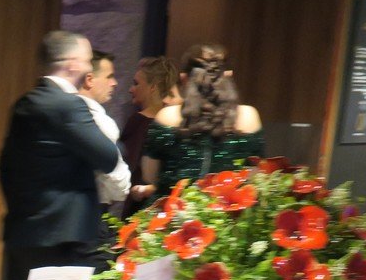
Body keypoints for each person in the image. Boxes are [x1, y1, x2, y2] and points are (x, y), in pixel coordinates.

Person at [0, 30, 121, 280]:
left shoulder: (26, 102)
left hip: (25, 228)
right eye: (88, 60)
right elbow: (107, 156)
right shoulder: (68, 105)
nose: (91, 68)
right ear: (74, 64)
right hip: (62, 234)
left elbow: (4, 166)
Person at [141, 44, 263, 199]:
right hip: (228, 212)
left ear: (184, 78)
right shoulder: (248, 116)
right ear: (228, 75)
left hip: (171, 211)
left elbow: (149, 176)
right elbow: (255, 179)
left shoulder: (167, 116)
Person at [121, 56, 181, 209]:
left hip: (140, 205)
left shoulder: (138, 122)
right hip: (168, 205)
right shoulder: (176, 125)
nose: (130, 89)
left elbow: (127, 170)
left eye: (136, 83)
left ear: (153, 87)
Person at [77, 50, 131, 206]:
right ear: (89, 79)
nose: (114, 83)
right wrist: (124, 186)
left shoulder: (63, 112)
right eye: (109, 76)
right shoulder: (98, 120)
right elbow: (118, 181)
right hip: (90, 206)